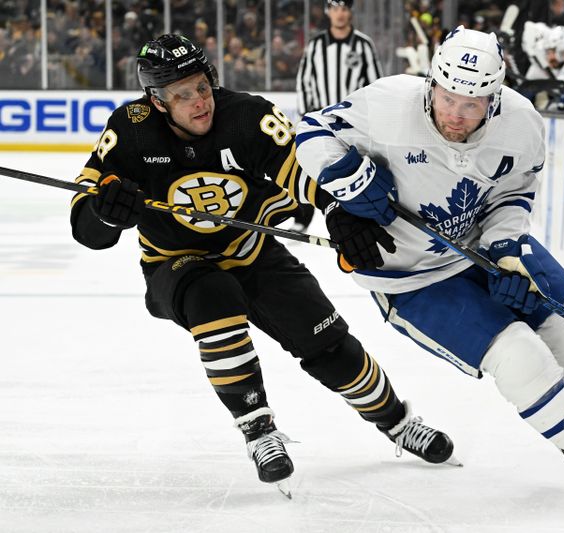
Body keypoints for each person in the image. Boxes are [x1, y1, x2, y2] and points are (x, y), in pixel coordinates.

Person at [69, 34, 456, 494]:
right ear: (156, 101)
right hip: (176, 263)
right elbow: (86, 226)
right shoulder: (129, 130)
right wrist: (104, 212)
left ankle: (398, 422)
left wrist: (337, 210)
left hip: (252, 251)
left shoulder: (248, 116)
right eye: (182, 95)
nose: (199, 103)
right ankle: (259, 431)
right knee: (215, 299)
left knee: (329, 344)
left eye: (202, 87)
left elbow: (303, 167)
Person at [295, 26, 564, 504]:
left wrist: (506, 251)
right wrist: (341, 187)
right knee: (517, 354)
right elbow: (310, 130)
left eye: (470, 105)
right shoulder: (388, 104)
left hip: (477, 244)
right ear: (431, 83)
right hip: (411, 274)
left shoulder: (520, 123)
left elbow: (513, 194)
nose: (454, 113)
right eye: (447, 97)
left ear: (494, 99)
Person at [293, 0, 383, 232]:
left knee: (358, 168)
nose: (340, 14)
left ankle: (366, 216)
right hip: (321, 119)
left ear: (350, 11)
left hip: (353, 122)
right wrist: (305, 114)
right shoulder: (316, 45)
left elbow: (374, 83)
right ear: (327, 12)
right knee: (309, 166)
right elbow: (305, 80)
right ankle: (302, 217)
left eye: (344, 8)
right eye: (335, 8)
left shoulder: (363, 44)